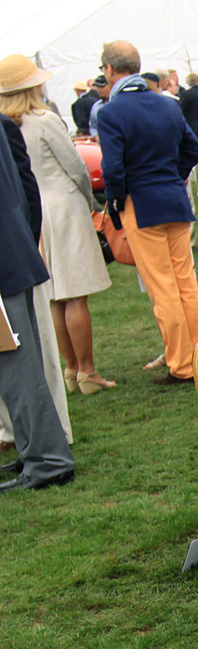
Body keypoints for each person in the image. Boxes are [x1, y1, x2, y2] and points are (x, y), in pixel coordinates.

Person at [0, 57, 114, 394]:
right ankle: (87, 371)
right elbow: (76, 167)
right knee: (75, 294)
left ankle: (71, 367)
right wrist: (90, 203)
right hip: (62, 206)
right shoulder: (45, 120)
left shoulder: (8, 124)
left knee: (54, 296)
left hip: (30, 212)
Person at [95, 40, 198, 386]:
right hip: (173, 199)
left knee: (163, 287)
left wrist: (115, 201)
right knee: (185, 281)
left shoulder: (111, 112)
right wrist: (174, 176)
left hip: (141, 204)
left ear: (110, 70)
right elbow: (193, 148)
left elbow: (112, 168)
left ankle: (182, 363)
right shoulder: (166, 104)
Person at [0, 110, 74, 492]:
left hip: (8, 259)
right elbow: (26, 188)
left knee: (17, 367)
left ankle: (47, 459)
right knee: (15, 367)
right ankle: (35, 452)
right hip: (13, 254)